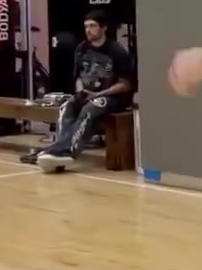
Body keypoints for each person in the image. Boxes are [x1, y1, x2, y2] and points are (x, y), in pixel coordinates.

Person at [36, 10, 134, 173]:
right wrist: (81, 90)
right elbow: (78, 77)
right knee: (67, 106)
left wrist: (99, 94)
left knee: (90, 108)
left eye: (92, 26)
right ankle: (58, 148)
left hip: (112, 97)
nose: (88, 30)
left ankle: (67, 151)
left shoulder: (116, 51)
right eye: (86, 26)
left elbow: (125, 85)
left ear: (103, 28)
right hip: (88, 92)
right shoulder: (82, 48)